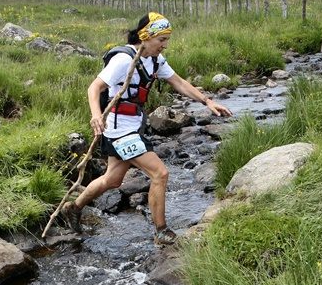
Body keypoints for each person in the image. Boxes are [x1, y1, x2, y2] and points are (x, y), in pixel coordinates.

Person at [61, 12, 233, 246]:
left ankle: (74, 207)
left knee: (112, 180)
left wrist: (207, 101)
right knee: (159, 173)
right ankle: (161, 231)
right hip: (118, 128)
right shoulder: (123, 60)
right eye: (161, 39)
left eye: (166, 40)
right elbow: (95, 88)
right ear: (145, 37)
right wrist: (95, 116)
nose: (164, 45)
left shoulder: (155, 61)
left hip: (133, 125)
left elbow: (179, 82)